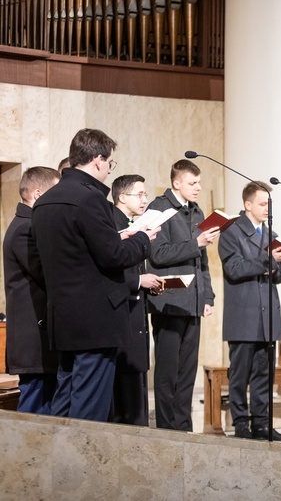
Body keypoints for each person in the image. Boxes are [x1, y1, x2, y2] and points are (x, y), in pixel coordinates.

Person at [32, 129, 158, 422]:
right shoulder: (90, 199)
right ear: (99, 160)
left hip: (62, 317)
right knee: (90, 408)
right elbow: (113, 256)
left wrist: (119, 236)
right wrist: (142, 239)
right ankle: (82, 468)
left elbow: (60, 255)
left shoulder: (45, 202)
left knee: (64, 401)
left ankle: (59, 464)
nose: (109, 169)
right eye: (110, 163)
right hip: (95, 320)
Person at [218, 181, 281, 441]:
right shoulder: (232, 232)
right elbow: (235, 269)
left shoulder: (271, 234)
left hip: (267, 314)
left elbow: (280, 274)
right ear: (248, 205)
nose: (267, 209)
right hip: (244, 314)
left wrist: (277, 266)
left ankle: (262, 423)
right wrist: (267, 261)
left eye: (269, 205)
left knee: (264, 374)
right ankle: (241, 424)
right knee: (240, 375)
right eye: (263, 204)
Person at [147, 159, 219, 431]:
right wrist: (195, 243)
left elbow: (203, 260)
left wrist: (208, 297)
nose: (198, 187)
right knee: (167, 373)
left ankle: (184, 428)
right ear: (176, 183)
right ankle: (167, 429)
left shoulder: (196, 211)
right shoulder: (159, 209)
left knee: (187, 372)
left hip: (193, 301)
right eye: (193, 183)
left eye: (199, 182)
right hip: (169, 300)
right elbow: (158, 254)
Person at [3, 166, 60, 414]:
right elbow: (46, 273)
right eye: (54, 193)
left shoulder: (29, 225)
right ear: (38, 194)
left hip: (40, 335)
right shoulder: (24, 229)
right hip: (32, 339)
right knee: (34, 411)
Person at [110, 175, 163, 426]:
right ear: (122, 197)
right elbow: (111, 272)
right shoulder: (112, 225)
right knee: (125, 401)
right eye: (139, 194)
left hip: (137, 314)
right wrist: (140, 282)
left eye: (145, 194)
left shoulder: (135, 223)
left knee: (137, 391)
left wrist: (148, 284)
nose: (144, 199)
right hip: (121, 317)